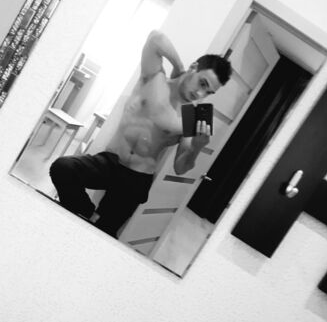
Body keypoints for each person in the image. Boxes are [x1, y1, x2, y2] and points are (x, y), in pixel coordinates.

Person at [49, 30, 232, 237]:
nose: (200, 94)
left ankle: (92, 226)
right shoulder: (154, 79)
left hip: (137, 179)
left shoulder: (190, 116)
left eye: (208, 92)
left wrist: (197, 147)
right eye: (202, 83)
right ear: (194, 68)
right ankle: (89, 215)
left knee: (102, 234)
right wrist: (179, 67)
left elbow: (181, 167)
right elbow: (155, 38)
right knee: (63, 168)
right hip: (110, 161)